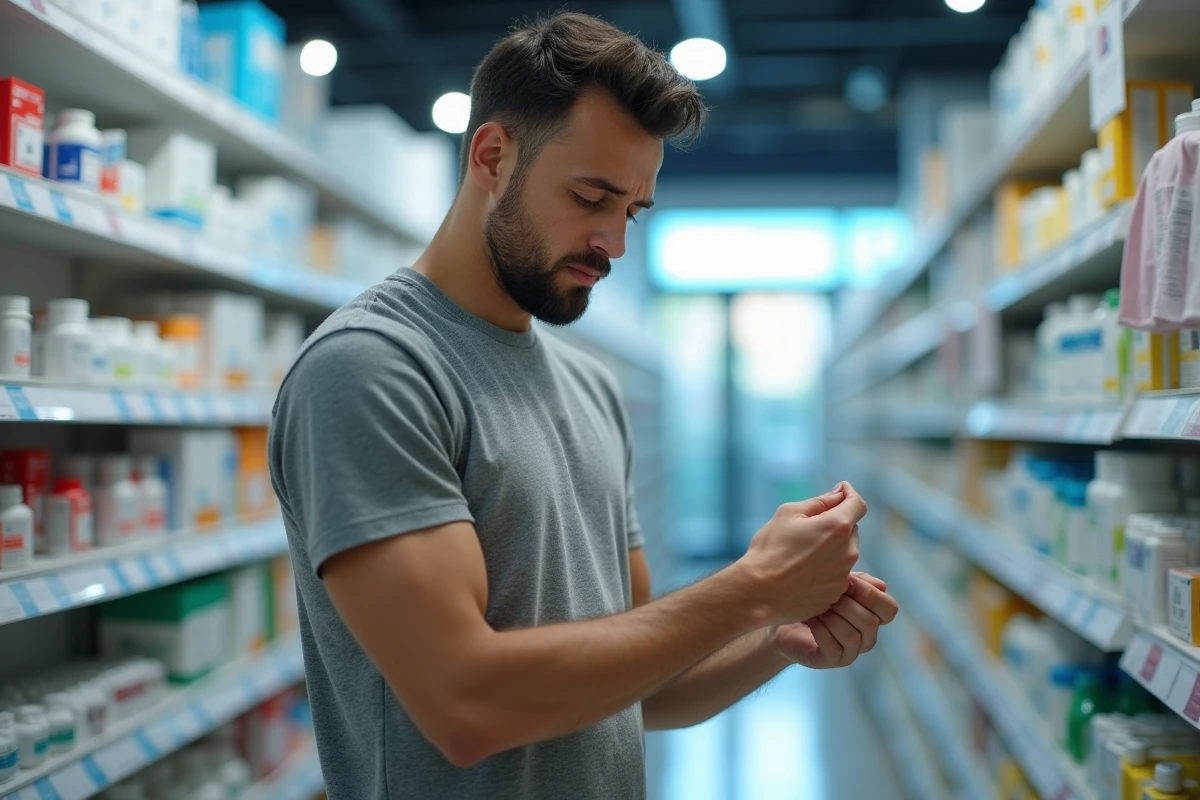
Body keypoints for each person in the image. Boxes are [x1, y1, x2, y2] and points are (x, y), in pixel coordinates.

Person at [268, 10, 899, 799]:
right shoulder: (372, 368)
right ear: (492, 156)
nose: (615, 242)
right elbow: (466, 704)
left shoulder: (590, 386)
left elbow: (640, 683)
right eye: (590, 196)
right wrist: (752, 588)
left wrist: (778, 635)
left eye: (631, 211)